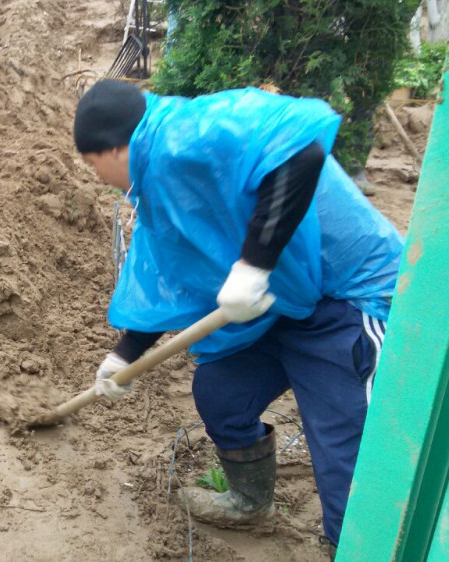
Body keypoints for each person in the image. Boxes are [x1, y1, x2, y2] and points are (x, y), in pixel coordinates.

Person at [74, 79, 403, 555]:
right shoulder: (157, 185)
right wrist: (123, 355)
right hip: (280, 304)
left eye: (92, 164)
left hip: (345, 298)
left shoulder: (189, 134)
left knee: (345, 454)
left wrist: (253, 266)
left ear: (114, 148)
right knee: (221, 393)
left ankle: (353, 547)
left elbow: (302, 155)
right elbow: (169, 272)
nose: (98, 177)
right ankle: (250, 501)